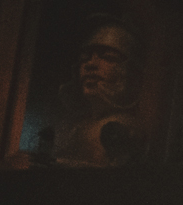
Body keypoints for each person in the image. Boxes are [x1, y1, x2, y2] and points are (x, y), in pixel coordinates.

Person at [51, 16, 144, 167]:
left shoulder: (122, 130)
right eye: (84, 58)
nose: (90, 64)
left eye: (108, 57)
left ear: (131, 72)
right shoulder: (70, 126)